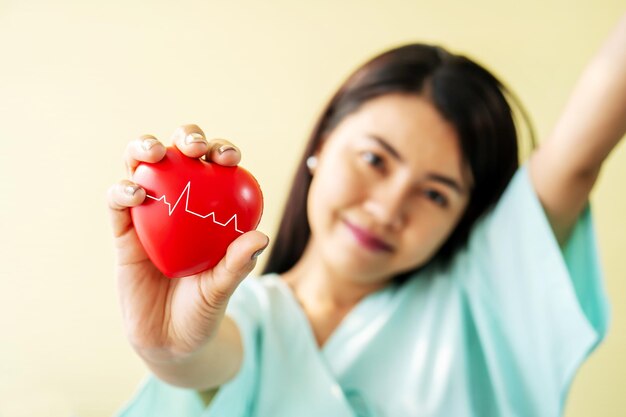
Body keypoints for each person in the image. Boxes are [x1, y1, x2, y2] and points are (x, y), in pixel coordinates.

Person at [107, 14, 625, 417]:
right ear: (324, 141)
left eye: (437, 194)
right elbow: (200, 358)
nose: (387, 209)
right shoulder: (248, 320)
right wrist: (166, 349)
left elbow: (578, 157)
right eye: (375, 159)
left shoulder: (481, 302)